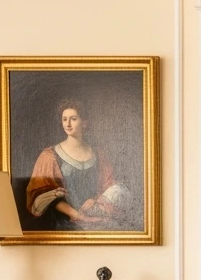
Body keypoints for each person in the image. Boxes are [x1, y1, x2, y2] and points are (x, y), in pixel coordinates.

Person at [24, 98, 129, 230]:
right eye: (64, 119)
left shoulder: (98, 154)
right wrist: (77, 215)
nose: (68, 124)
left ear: (84, 123)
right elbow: (43, 195)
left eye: (73, 119)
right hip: (65, 223)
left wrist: (96, 205)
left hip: (96, 218)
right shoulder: (49, 156)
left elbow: (109, 186)